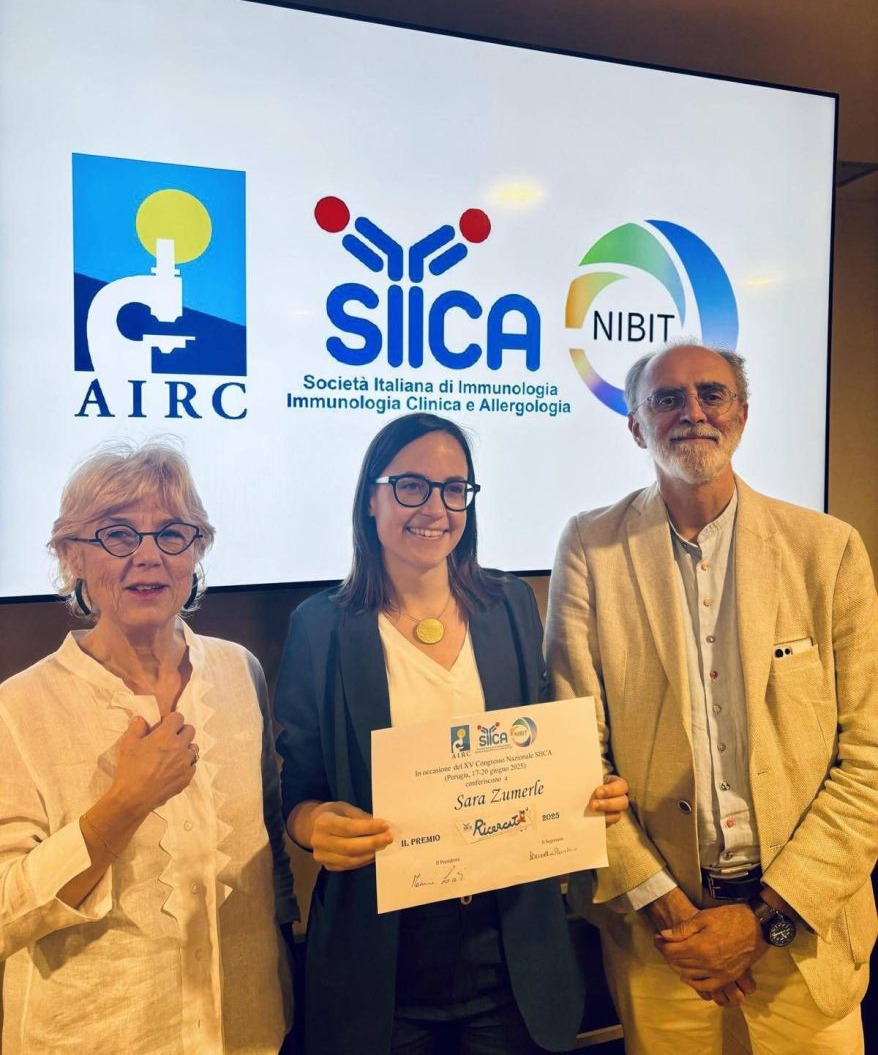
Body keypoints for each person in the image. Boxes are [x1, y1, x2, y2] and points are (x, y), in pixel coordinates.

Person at [546, 341, 878, 1054]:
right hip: (663, 941)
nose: (692, 412)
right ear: (636, 426)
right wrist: (665, 909)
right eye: (667, 399)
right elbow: (577, 757)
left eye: (712, 394)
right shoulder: (589, 549)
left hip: (808, 930)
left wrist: (763, 920)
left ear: (742, 414)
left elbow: (868, 761)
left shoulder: (828, 551)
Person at [274, 412, 629, 1055]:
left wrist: (585, 789)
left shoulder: (510, 606)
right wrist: (313, 823)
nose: (435, 508)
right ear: (371, 498)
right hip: (382, 961)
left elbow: (538, 749)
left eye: (454, 489)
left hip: (510, 950)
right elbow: (296, 791)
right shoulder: (319, 627)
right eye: (411, 486)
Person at [0, 439, 295, 1054]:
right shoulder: (19, 708)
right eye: (116, 535)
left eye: (172, 534)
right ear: (71, 556)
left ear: (198, 550)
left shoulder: (239, 672)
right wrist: (124, 804)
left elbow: (270, 852)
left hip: (247, 1028)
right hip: (98, 1036)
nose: (148, 556)